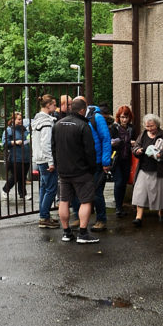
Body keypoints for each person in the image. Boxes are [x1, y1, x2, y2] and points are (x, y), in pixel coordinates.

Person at [52, 96, 99, 244]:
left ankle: (66, 233)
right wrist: (91, 169)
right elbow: (90, 151)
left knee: (64, 201)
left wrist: (58, 165)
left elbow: (53, 148)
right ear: (83, 110)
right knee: (86, 201)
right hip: (81, 171)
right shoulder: (83, 125)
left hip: (63, 171)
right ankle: (83, 234)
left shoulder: (57, 125)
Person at [68, 98, 113, 232]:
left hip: (97, 161)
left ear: (84, 107)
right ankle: (78, 217)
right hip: (81, 162)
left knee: (97, 192)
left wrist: (106, 161)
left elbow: (106, 139)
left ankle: (101, 219)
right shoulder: (77, 117)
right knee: (76, 190)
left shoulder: (97, 118)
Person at [130, 113, 163, 226]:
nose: (149, 128)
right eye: (147, 126)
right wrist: (137, 151)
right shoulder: (143, 134)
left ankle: (161, 213)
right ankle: (138, 217)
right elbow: (135, 146)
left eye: (152, 126)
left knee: (161, 193)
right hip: (144, 168)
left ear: (157, 124)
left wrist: (161, 154)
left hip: (160, 169)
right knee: (139, 193)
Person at [32, 94, 59, 228]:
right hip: (45, 159)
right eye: (54, 104)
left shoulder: (37, 120)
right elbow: (46, 143)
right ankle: (44, 217)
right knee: (51, 189)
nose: (56, 107)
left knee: (44, 187)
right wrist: (51, 162)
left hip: (39, 158)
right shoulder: (47, 123)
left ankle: (45, 215)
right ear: (48, 105)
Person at [109, 105, 135, 217]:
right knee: (119, 182)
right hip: (116, 158)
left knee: (124, 183)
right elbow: (109, 142)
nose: (124, 120)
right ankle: (118, 208)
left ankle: (120, 206)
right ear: (118, 117)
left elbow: (135, 141)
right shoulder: (113, 128)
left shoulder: (131, 128)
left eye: (126, 117)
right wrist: (115, 142)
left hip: (126, 158)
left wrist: (134, 144)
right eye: (122, 117)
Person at [1, 111, 31, 202]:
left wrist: (29, 140)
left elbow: (28, 139)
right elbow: (5, 143)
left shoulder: (25, 129)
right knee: (16, 176)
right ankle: (5, 189)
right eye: (18, 119)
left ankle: (22, 194)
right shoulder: (9, 130)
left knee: (23, 176)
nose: (20, 121)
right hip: (15, 157)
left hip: (25, 157)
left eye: (21, 119)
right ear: (13, 120)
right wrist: (15, 142)